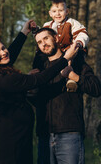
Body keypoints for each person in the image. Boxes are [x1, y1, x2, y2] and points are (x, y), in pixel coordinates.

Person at [0, 20, 77, 164]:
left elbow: (10, 55)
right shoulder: (4, 79)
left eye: (3, 48)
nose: (4, 52)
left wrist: (24, 32)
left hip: (12, 135)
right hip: (7, 139)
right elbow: (40, 79)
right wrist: (65, 59)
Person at [31, 27, 101, 164]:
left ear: (56, 38)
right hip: (44, 135)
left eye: (46, 38)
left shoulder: (76, 61)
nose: (43, 43)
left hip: (69, 133)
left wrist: (74, 76)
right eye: (39, 42)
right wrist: (30, 90)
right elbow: (37, 100)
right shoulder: (40, 68)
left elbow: (96, 89)